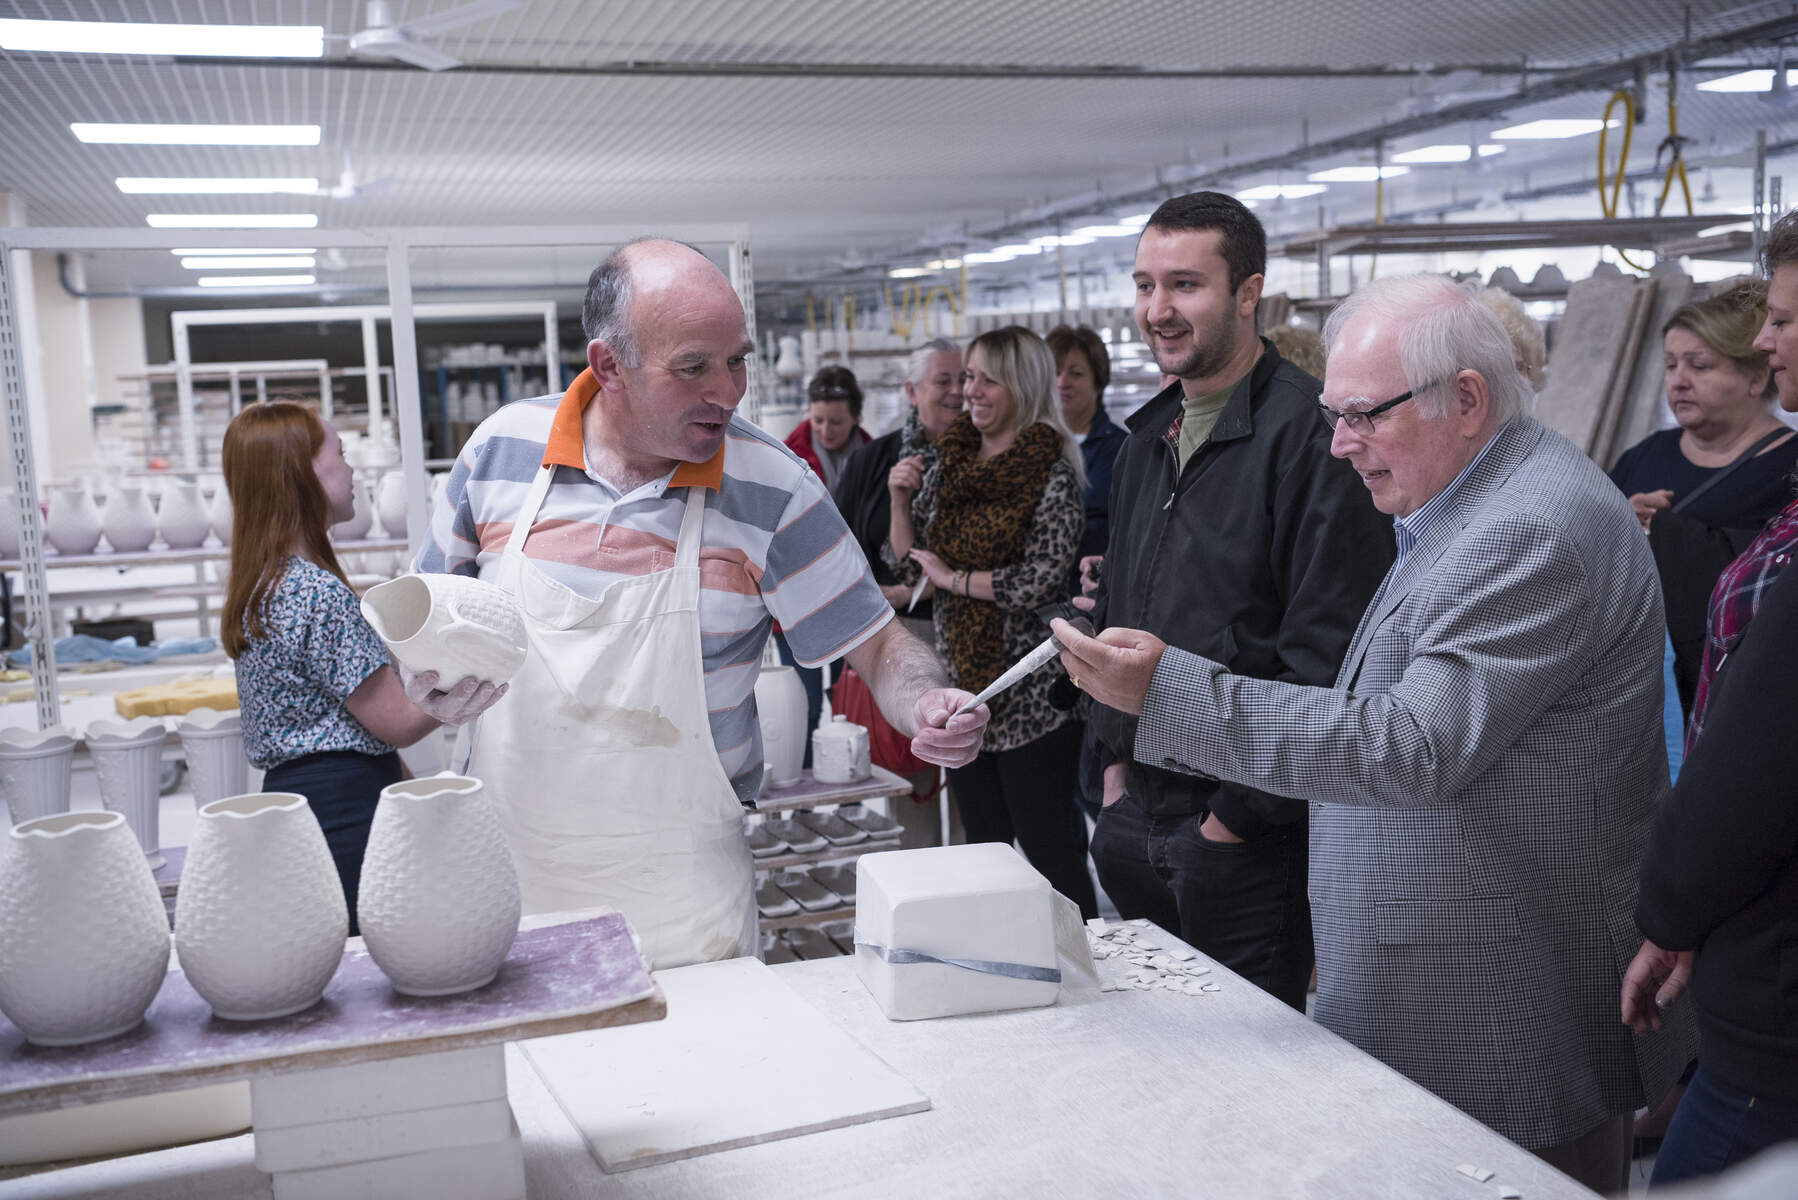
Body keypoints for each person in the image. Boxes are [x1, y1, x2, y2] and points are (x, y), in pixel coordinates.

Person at [1053, 272, 1694, 1194]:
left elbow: (1409, 744)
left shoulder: (1531, 529)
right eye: (1332, 414)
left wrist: (1171, 691)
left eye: (1364, 416)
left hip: (1498, 1008)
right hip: (1444, 989)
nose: (1340, 445)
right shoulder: (1464, 502)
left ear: (1466, 400)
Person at [413, 239, 989, 969]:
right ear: (608, 366)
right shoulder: (498, 454)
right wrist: (425, 677)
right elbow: (427, 625)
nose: (728, 390)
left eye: (737, 359)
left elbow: (876, 645)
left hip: (683, 903)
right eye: (694, 367)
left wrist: (925, 701)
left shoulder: (772, 485)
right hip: (506, 893)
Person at [1080, 191, 1394, 1012]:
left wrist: (1234, 823)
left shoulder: (1314, 439)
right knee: (1154, 1059)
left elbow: (1326, 658)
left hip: (1244, 843)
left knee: (1257, 1082)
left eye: (1185, 285)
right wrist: (1113, 777)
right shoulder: (1149, 440)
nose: (1158, 310)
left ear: (1248, 294)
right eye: (1146, 285)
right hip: (1132, 815)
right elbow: (1122, 611)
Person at [1620, 224, 1798, 1189]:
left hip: (1774, 974)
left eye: (1784, 323)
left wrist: (1675, 905)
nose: (1771, 347)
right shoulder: (1666, 461)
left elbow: (1755, 754)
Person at [221, 400, 501, 933]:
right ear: (300, 473)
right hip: (342, 810)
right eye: (341, 455)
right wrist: (467, 674)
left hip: (301, 801)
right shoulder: (313, 592)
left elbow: (358, 727)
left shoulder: (265, 585)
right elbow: (392, 722)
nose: (352, 470)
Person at [885, 325, 1097, 918]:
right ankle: (999, 968)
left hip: (1032, 696)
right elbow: (907, 561)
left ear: (1021, 386)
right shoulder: (949, 461)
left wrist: (954, 579)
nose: (967, 393)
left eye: (985, 380)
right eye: (966, 378)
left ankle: (1090, 960)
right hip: (966, 689)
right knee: (983, 852)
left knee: (1053, 849)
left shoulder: (1049, 469)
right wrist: (899, 500)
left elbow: (1039, 579)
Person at [1609, 280, 1797, 718]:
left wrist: (1664, 533)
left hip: (1741, 694)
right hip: (1640, 688)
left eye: (1699, 365)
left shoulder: (1789, 466)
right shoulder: (1646, 454)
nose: (1679, 381)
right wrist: (1620, 521)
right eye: (1671, 365)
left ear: (1755, 377)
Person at [833, 339, 962, 634]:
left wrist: (909, 593)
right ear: (912, 392)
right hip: (884, 626)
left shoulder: (989, 459)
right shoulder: (871, 459)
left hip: (968, 629)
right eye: (943, 381)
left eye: (964, 380)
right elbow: (840, 544)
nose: (957, 391)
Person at [1045, 325, 1128, 573]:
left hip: (1088, 586)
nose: (1062, 383)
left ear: (1098, 381)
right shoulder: (1028, 446)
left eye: (1076, 374)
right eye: (1055, 373)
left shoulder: (1121, 449)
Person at [784, 365, 870, 494]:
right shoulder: (789, 456)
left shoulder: (874, 459)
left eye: (836, 422)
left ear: (856, 418)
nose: (825, 431)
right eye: (818, 421)